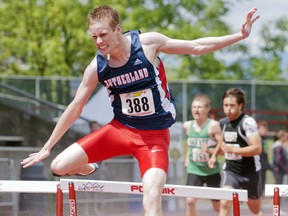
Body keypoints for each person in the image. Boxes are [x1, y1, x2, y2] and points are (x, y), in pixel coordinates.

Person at [21, 5, 259, 215]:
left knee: (152, 197)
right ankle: (90, 169)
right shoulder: (97, 66)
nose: (98, 41)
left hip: (154, 138)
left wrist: (240, 35)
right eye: (93, 36)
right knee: (58, 166)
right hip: (120, 130)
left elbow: (196, 46)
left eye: (103, 34)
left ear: (118, 29)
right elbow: (75, 107)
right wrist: (47, 147)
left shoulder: (147, 44)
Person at [218, 88, 263, 216]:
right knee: (225, 202)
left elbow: (257, 148)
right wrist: (213, 155)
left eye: (232, 105)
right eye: (225, 105)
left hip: (250, 172)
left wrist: (234, 150)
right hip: (231, 171)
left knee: (255, 209)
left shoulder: (247, 123)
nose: (228, 109)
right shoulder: (223, 123)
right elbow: (222, 144)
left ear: (241, 105)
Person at [183, 94, 223, 216]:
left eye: (199, 107)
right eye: (194, 107)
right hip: (194, 169)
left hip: (211, 171)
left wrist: (211, 153)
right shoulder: (187, 126)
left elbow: (223, 147)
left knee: (217, 205)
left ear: (207, 109)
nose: (196, 109)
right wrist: (187, 158)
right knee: (189, 201)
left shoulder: (213, 126)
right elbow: (191, 144)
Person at [258, 120, 272, 193]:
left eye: (265, 129)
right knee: (259, 184)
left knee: (263, 183)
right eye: (262, 129)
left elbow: (265, 154)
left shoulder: (266, 139)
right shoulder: (257, 139)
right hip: (258, 166)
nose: (264, 131)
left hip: (264, 166)